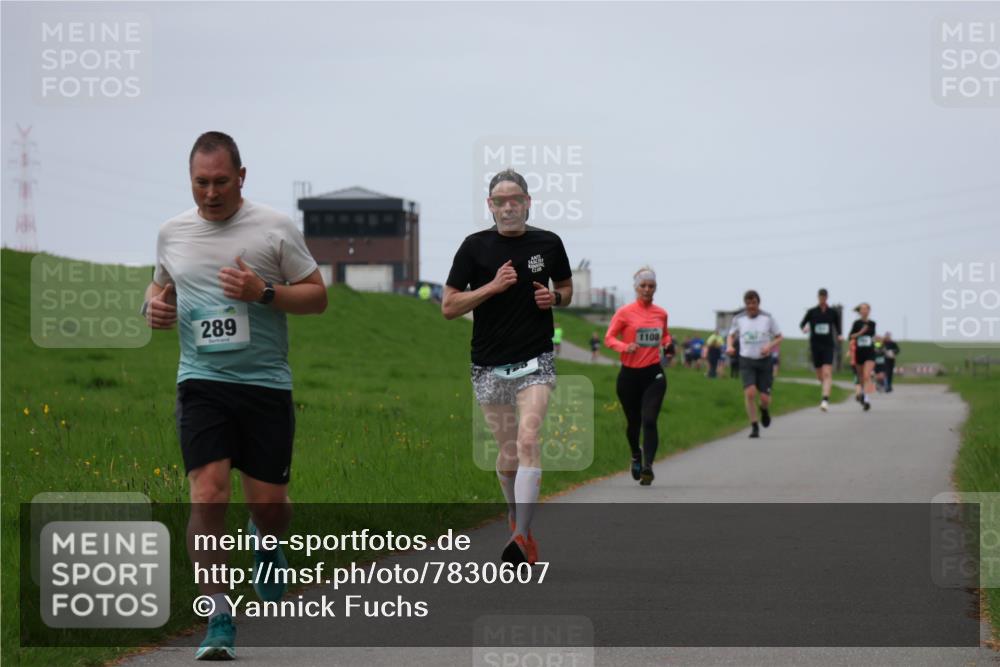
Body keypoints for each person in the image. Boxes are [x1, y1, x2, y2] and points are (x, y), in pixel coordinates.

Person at [144, 132, 327, 660]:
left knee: (269, 508)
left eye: (221, 181)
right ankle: (218, 616)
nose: (211, 193)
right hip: (201, 382)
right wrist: (152, 309)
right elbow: (162, 288)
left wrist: (263, 292)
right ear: (190, 181)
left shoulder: (273, 228)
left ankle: (268, 540)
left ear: (241, 177)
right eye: (201, 182)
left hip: (265, 384)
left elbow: (317, 297)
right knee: (208, 493)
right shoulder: (172, 233)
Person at [442, 168, 572, 565]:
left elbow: (566, 289)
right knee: (509, 453)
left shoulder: (548, 243)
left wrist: (556, 298)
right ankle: (518, 520)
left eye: (516, 199)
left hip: (536, 360)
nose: (509, 206)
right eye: (501, 201)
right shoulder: (474, 247)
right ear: (490, 206)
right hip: (488, 366)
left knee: (529, 440)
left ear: (528, 202)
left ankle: (520, 535)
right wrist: (492, 287)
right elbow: (449, 306)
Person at [604, 267, 671, 486]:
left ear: (655, 288)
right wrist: (625, 346)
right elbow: (609, 338)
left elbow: (665, 335)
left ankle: (648, 467)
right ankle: (636, 454)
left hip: (653, 374)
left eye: (651, 286)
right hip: (629, 377)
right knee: (634, 423)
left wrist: (668, 344)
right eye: (643, 285)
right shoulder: (624, 312)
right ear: (636, 287)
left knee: (650, 419)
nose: (647, 289)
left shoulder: (661, 313)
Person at [726, 290, 783, 438]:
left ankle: (764, 410)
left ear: (758, 303)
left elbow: (779, 336)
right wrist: (730, 346)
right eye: (748, 303)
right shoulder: (739, 319)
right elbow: (731, 335)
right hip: (746, 359)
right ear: (745, 304)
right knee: (750, 392)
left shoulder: (767, 318)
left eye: (754, 303)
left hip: (764, 361)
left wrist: (769, 346)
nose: (751, 306)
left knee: (764, 398)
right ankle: (754, 425)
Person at [799, 288, 842, 411]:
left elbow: (838, 327)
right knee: (819, 375)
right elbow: (802, 323)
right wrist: (804, 328)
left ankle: (825, 400)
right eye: (820, 297)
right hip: (815, 345)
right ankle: (826, 388)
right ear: (818, 297)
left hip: (828, 345)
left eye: (824, 297)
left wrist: (839, 335)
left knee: (827, 372)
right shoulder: (812, 312)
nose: (822, 299)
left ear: (827, 298)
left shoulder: (832, 312)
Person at [848, 303, 877, 411]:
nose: (864, 311)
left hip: (870, 352)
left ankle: (866, 399)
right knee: (860, 377)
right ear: (860, 312)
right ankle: (861, 395)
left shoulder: (873, 323)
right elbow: (851, 336)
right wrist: (861, 332)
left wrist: (878, 340)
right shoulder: (856, 323)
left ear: (869, 311)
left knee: (866, 375)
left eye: (866, 309)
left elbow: (872, 335)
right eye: (862, 309)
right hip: (859, 353)